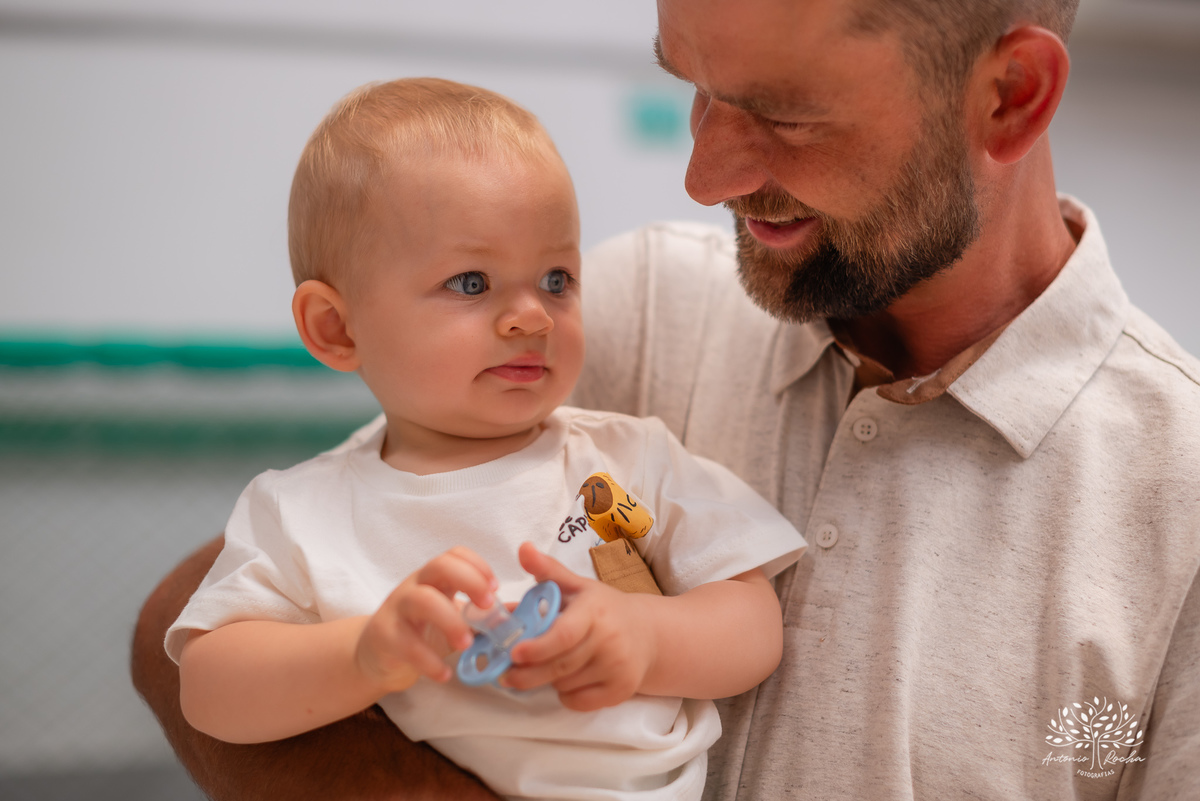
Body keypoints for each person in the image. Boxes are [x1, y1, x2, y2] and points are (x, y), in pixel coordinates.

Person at [131, 0, 1200, 799]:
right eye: (694, 86)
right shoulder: (640, 303)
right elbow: (184, 638)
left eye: (783, 113)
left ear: (1010, 96)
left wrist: (640, 643)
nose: (704, 173)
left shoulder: (1176, 500)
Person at [160, 76, 805, 801]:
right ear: (336, 329)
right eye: (472, 283)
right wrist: (364, 652)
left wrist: (648, 636)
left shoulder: (627, 456)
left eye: (557, 278)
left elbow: (754, 621)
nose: (532, 318)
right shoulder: (302, 509)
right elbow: (209, 688)